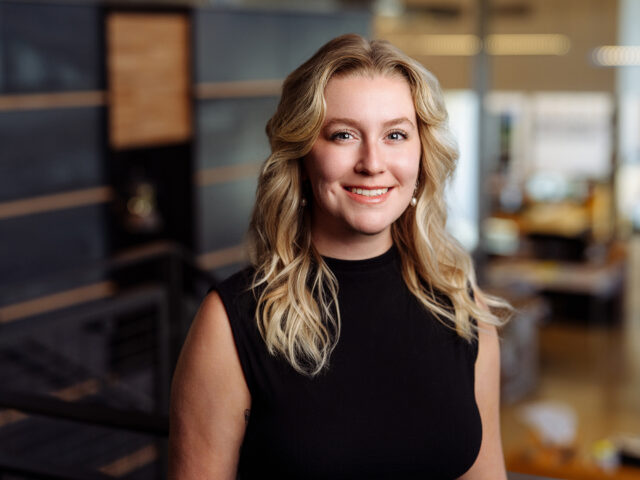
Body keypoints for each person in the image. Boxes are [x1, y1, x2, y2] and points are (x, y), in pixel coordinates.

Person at [169, 33, 510, 479]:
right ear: (303, 157)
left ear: (421, 154)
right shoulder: (231, 323)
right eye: (344, 134)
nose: (372, 162)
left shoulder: (465, 310)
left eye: (395, 135)